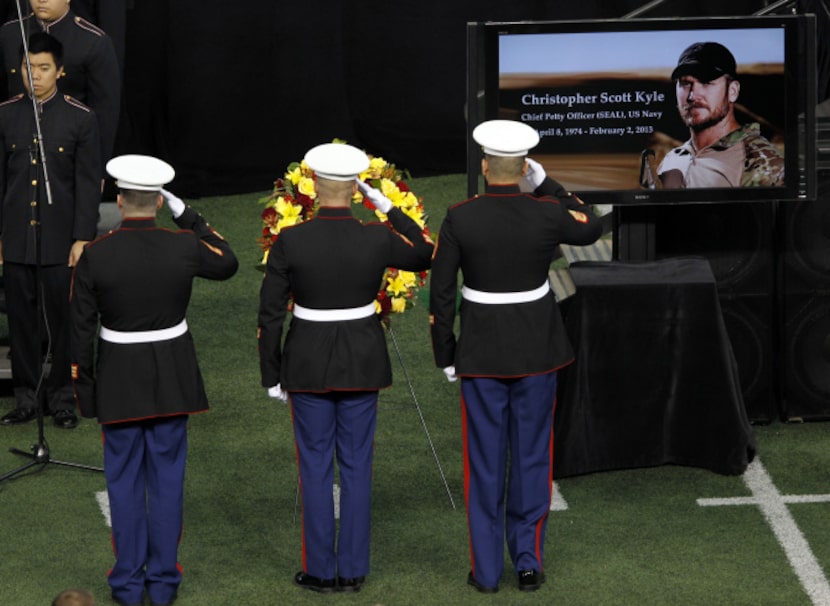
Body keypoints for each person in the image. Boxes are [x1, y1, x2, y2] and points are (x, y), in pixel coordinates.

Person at [429, 119, 603, 593]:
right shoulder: (546, 212)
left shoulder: (460, 216)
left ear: (484, 167)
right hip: (538, 352)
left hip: (481, 354)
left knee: (484, 462)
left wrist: (446, 352)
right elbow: (594, 225)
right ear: (523, 168)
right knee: (531, 458)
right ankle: (527, 562)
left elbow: (441, 292)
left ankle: (485, 572)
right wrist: (546, 183)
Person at [257, 142, 434, 593]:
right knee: (356, 466)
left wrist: (270, 375)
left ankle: (319, 570)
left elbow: (270, 314)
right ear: (355, 192)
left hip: (307, 363)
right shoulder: (376, 235)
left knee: (315, 467)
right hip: (361, 361)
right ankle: (352, 570)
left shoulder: (291, 239)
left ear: (313, 188)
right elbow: (423, 250)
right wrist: (386, 207)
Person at [69, 155, 238, 606]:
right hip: (172, 377)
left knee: (123, 483)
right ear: (159, 204)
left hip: (119, 381)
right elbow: (228, 261)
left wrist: (85, 393)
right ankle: (162, 584)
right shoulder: (183, 245)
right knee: (167, 481)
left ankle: (127, 584)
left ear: (119, 201)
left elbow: (80, 331)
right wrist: (190, 215)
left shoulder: (96, 254)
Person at [0, 31, 100, 429]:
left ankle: (61, 398)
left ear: (60, 71)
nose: (35, 76)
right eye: (29, 68)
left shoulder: (81, 117)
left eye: (43, 68)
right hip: (17, 237)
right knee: (21, 322)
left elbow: (88, 184)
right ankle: (27, 398)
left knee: (61, 322)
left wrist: (82, 237)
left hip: (62, 239)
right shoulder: (5, 114)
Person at [0, 0, 120, 165]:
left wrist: (96, 170)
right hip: (15, 157)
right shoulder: (9, 34)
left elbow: (105, 115)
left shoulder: (93, 42)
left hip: (68, 159)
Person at [658, 41, 784, 188]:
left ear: (732, 91)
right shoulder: (671, 160)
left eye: (706, 82)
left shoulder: (764, 163)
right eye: (685, 83)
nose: (692, 95)